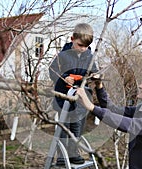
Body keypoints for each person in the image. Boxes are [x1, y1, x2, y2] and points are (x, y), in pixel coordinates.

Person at [76, 69, 142, 169]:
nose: (140, 86)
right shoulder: (141, 111)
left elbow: (128, 124)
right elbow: (112, 110)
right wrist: (99, 86)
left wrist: (91, 107)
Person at [49, 23, 99, 165]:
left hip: (80, 99)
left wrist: (93, 76)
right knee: (64, 126)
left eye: (86, 46)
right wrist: (64, 77)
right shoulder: (63, 55)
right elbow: (52, 71)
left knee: (77, 126)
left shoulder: (89, 56)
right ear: (72, 39)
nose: (83, 49)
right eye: (80, 45)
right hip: (63, 98)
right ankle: (61, 156)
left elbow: (93, 70)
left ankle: (73, 153)